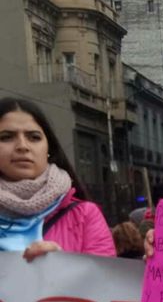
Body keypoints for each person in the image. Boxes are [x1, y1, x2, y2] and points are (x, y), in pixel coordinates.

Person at [0, 98, 114, 259]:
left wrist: (61, 267)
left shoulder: (85, 216)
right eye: (6, 137)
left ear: (49, 148)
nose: (22, 146)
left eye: (34, 137)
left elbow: (104, 281)